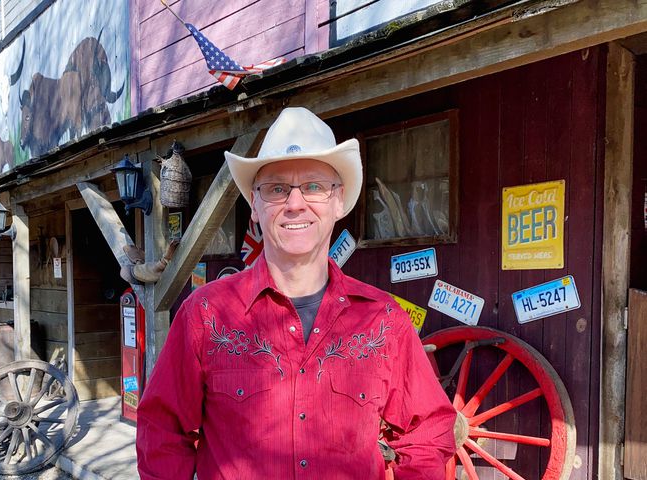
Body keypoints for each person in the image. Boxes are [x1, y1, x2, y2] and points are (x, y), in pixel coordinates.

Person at [136, 107, 456, 479]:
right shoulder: (206, 316)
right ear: (255, 206)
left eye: (314, 186)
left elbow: (427, 431)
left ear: (339, 201)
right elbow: (162, 431)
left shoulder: (383, 321)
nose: (295, 204)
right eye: (276, 189)